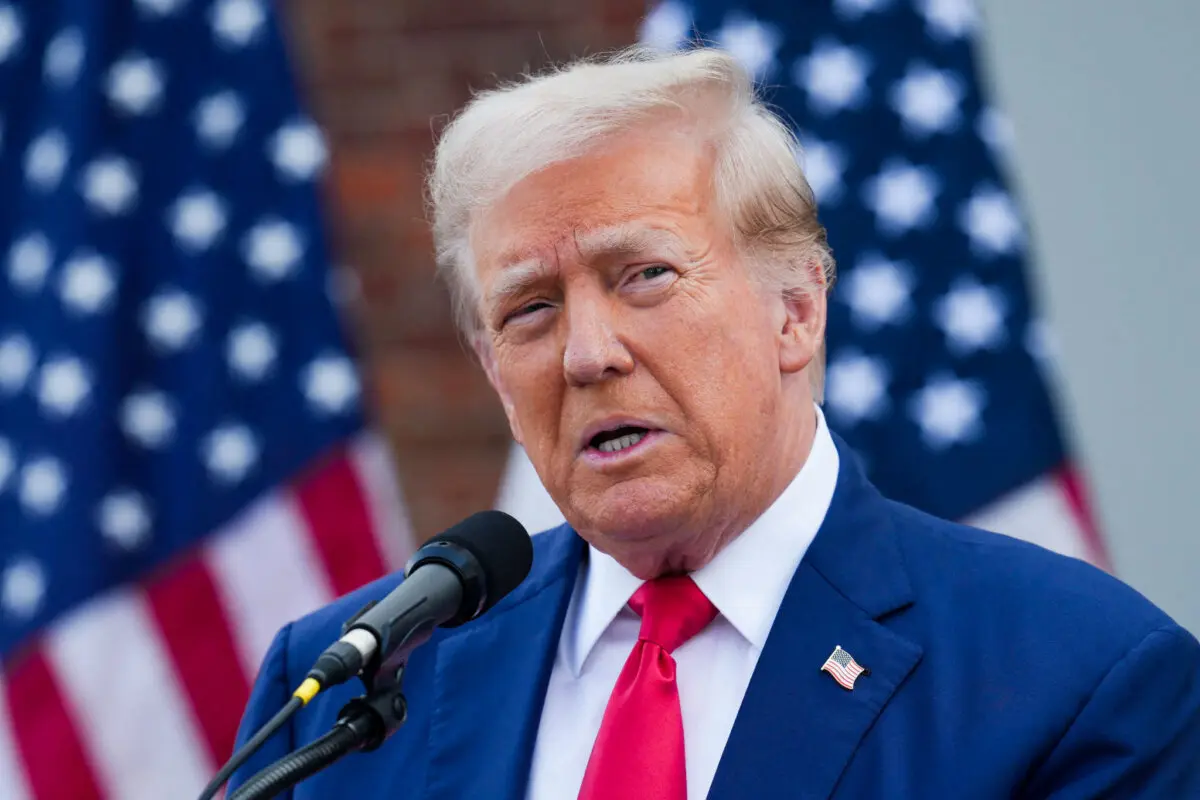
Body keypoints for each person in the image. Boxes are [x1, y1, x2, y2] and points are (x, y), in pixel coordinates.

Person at [229, 47, 1200, 799]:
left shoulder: (1078, 680)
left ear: (797, 311)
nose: (586, 352)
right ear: (492, 369)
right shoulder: (344, 689)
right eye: (530, 309)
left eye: (643, 275)